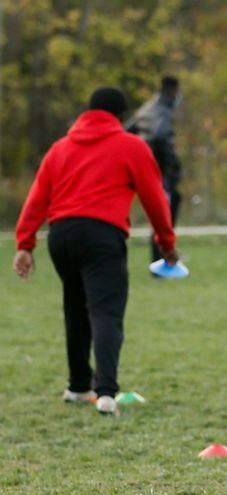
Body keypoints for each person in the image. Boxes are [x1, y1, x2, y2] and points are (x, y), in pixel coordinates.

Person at [12, 87, 178, 416]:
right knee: (106, 312)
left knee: (75, 307)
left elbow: (37, 197)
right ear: (120, 116)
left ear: (88, 113)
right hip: (102, 235)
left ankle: (77, 386)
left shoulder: (60, 148)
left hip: (61, 236)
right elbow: (154, 197)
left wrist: (25, 244)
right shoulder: (131, 146)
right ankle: (105, 393)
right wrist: (167, 244)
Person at [126, 75, 182, 264]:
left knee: (163, 210)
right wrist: (172, 164)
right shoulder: (162, 111)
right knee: (163, 214)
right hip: (160, 171)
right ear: (172, 90)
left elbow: (127, 130)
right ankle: (163, 260)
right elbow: (160, 136)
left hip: (147, 170)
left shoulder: (145, 109)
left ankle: (163, 257)